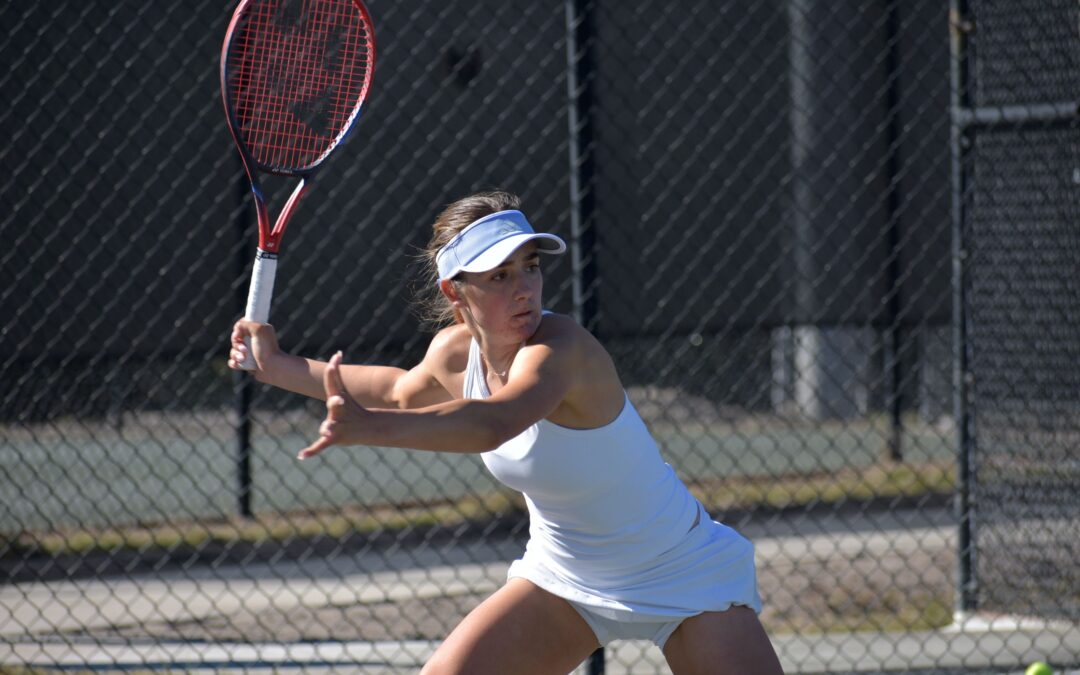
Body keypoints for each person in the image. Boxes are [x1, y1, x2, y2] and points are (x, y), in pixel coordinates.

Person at [228, 191, 784, 675]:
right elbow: (395, 388)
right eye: (499, 276)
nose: (525, 288)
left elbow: (493, 422)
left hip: (681, 571)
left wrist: (368, 428)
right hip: (565, 577)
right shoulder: (454, 354)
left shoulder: (562, 349)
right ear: (455, 292)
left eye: (531, 266)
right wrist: (272, 364)